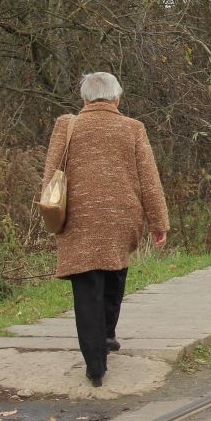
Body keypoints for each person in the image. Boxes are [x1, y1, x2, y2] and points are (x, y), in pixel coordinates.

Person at [40, 72, 169, 387]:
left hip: (78, 220)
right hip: (120, 219)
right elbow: (149, 180)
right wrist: (159, 223)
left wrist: (50, 212)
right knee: (115, 276)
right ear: (117, 99)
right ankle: (107, 334)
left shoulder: (66, 125)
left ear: (84, 100)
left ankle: (95, 364)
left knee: (87, 290)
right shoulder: (133, 129)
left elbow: (49, 177)